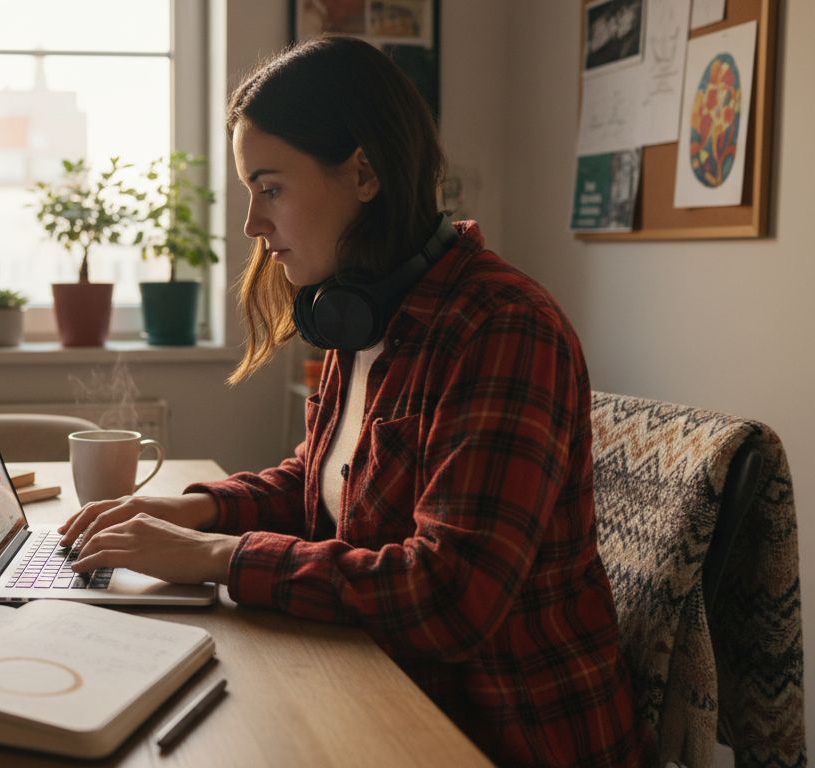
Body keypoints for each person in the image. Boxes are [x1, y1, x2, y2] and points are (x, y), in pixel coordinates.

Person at [60, 36, 646, 767]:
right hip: (379, 686)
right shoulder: (359, 308)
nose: (251, 223)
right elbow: (322, 482)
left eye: (269, 187)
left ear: (364, 173)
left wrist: (216, 555)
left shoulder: (502, 329)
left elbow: (446, 599)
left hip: (502, 735)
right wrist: (194, 510)